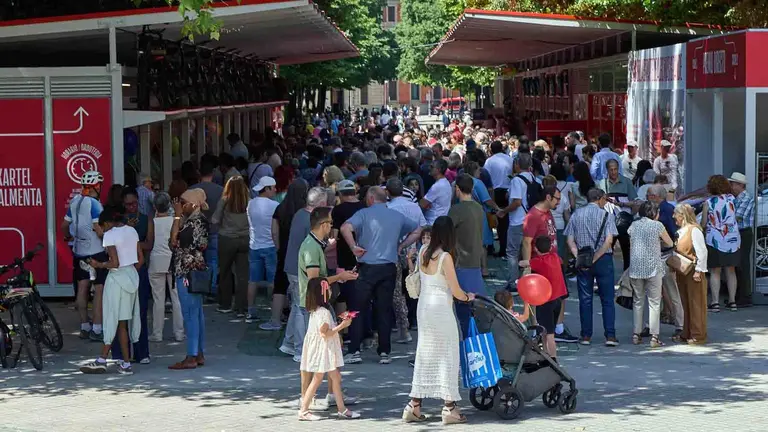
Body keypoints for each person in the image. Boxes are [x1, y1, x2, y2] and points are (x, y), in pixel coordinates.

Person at [402, 216, 475, 425]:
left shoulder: (424, 251)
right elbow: (456, 291)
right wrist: (469, 296)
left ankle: (414, 405)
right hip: (441, 309)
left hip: (424, 307)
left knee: (425, 353)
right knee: (448, 355)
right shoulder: (445, 258)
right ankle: (450, 408)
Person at [341, 187, 421, 365]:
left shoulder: (363, 214)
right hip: (388, 267)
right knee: (384, 309)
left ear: (370, 198)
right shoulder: (396, 216)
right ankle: (384, 351)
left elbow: (345, 227)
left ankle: (354, 349)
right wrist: (400, 246)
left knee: (357, 308)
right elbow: (417, 230)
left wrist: (353, 246)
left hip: (368, 266)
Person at [297, 208, 358, 409]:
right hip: (315, 305)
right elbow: (315, 281)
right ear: (323, 224)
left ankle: (329, 393)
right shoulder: (311, 248)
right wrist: (339, 277)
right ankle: (307, 397)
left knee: (328, 348)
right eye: (330, 223)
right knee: (314, 353)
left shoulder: (314, 244)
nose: (332, 226)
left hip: (318, 303)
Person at [79, 206, 143, 375]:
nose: (100, 231)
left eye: (101, 227)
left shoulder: (110, 235)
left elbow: (114, 263)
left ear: (107, 223)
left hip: (116, 279)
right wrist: (129, 273)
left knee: (111, 319)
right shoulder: (132, 231)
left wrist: (98, 265)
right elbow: (140, 259)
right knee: (123, 323)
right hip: (131, 276)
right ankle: (126, 363)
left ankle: (102, 359)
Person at [297, 278, 360, 421]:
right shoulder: (324, 312)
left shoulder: (315, 311)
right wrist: (342, 326)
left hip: (323, 349)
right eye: (329, 288)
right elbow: (325, 333)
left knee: (335, 377)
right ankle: (304, 410)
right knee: (319, 378)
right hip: (324, 350)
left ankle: (341, 409)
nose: (331, 290)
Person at [564, 188, 619, 346]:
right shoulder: (606, 216)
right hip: (603, 259)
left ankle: (586, 335)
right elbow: (609, 241)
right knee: (607, 298)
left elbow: (569, 240)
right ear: (600, 199)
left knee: (585, 298)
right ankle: (610, 335)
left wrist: (578, 257)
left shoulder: (576, 215)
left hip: (583, 258)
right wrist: (596, 256)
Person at [518, 185, 567, 359]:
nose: (559, 202)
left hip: (550, 266)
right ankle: (540, 336)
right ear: (548, 197)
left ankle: (549, 346)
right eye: (557, 199)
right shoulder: (533, 216)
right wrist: (528, 269)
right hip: (542, 272)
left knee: (550, 324)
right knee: (546, 323)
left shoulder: (547, 214)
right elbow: (526, 241)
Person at [281, 187, 328, 362]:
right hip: (301, 269)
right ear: (321, 204)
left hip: (291, 267)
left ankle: (289, 341)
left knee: (296, 305)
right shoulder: (311, 220)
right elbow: (313, 245)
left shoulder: (299, 214)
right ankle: (300, 350)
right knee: (303, 309)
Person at [62, 170, 107, 341]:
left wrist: (69, 237)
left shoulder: (75, 201)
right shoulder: (95, 204)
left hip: (79, 251)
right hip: (95, 251)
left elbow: (64, 225)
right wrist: (110, 237)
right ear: (96, 185)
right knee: (99, 290)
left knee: (82, 288)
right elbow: (98, 229)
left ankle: (84, 326)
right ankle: (97, 328)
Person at [168, 189, 210, 370]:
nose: (180, 205)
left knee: (190, 315)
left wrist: (177, 217)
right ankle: (198, 353)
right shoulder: (197, 221)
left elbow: (173, 241)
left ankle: (191, 356)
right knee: (197, 314)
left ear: (193, 204)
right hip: (193, 271)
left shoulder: (194, 223)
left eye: (183, 202)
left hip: (187, 272)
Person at [111, 188, 151, 364]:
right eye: (128, 204)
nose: (132, 207)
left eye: (134, 203)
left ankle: (142, 353)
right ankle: (120, 353)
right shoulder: (118, 221)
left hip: (139, 268)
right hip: (123, 268)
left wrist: (130, 243)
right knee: (121, 313)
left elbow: (149, 243)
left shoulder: (146, 219)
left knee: (140, 311)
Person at [386, 178, 428, 344]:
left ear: (388, 193)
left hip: (395, 249)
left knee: (398, 290)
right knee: (415, 284)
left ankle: (402, 326)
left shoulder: (389, 208)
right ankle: (414, 320)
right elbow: (423, 226)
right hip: (412, 249)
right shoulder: (414, 206)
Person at [628, 201, 673, 348]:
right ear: (654, 213)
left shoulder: (634, 225)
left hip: (636, 267)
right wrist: (658, 243)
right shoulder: (657, 226)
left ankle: (636, 334)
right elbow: (670, 243)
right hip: (653, 267)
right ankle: (654, 337)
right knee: (654, 302)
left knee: (638, 301)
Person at [449, 174, 487, 337]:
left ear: (457, 188)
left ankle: (466, 342)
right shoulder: (478, 208)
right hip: (475, 260)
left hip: (460, 261)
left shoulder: (456, 210)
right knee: (476, 306)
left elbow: (447, 234)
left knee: (462, 306)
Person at [646, 184, 684, 337]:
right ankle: (654, 325)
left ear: (655, 197)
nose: (646, 197)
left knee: (671, 291)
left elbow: (675, 232)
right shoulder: (658, 208)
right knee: (655, 293)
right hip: (656, 255)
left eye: (648, 195)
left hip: (665, 254)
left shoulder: (666, 209)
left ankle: (680, 324)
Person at [497, 153, 538, 291]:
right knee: (526, 251)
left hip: (517, 221)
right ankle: (526, 279)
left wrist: (504, 211)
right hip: (530, 220)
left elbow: (517, 202)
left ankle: (513, 283)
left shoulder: (516, 181)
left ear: (517, 165)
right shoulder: (533, 178)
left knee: (512, 253)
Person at [147, 192, 184, 342]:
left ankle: (157, 333)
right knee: (176, 298)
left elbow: (149, 242)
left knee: (158, 299)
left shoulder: (152, 222)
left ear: (155, 206)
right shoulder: (175, 221)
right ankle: (179, 332)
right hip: (173, 260)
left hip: (156, 261)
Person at [700, 175, 741, 312]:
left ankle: (715, 302)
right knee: (731, 270)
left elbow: (704, 223)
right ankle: (732, 302)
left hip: (715, 240)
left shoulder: (709, 203)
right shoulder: (732, 199)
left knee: (715, 271)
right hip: (732, 239)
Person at [213, 176, 251, 319]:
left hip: (227, 239)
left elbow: (215, 219)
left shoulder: (225, 200)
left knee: (225, 272)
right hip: (245, 239)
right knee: (243, 275)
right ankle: (242, 307)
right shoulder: (249, 201)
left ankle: (225, 304)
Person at [245, 176, 281, 330]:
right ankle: (273, 309)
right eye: (273, 187)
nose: (275, 190)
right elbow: (276, 229)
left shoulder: (250, 204)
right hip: (271, 246)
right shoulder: (275, 206)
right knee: (273, 281)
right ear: (266, 189)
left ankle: (250, 310)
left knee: (253, 280)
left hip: (254, 245)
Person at [673, 204, 709, 345]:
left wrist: (699, 270)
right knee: (686, 303)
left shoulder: (694, 231)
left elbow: (702, 252)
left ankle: (698, 335)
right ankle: (687, 332)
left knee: (696, 303)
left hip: (693, 272)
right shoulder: (681, 231)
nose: (673, 216)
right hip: (683, 272)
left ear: (682, 215)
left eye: (675, 214)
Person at [191, 157, 224, 297]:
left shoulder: (192, 190)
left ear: (199, 172)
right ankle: (212, 287)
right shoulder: (221, 191)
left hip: (197, 231)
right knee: (213, 260)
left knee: (198, 259)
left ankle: (200, 287)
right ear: (213, 173)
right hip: (215, 229)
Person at [729, 172, 755, 307]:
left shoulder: (745, 198)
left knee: (743, 264)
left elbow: (738, 217)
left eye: (733, 184)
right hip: (739, 232)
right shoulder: (738, 198)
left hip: (743, 233)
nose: (731, 186)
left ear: (740, 185)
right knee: (739, 264)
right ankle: (740, 296)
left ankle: (745, 296)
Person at [420, 159, 452, 225]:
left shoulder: (437, 186)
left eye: (432, 167)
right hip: (439, 222)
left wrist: (426, 204)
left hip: (432, 223)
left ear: (438, 170)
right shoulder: (445, 183)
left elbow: (422, 204)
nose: (429, 168)